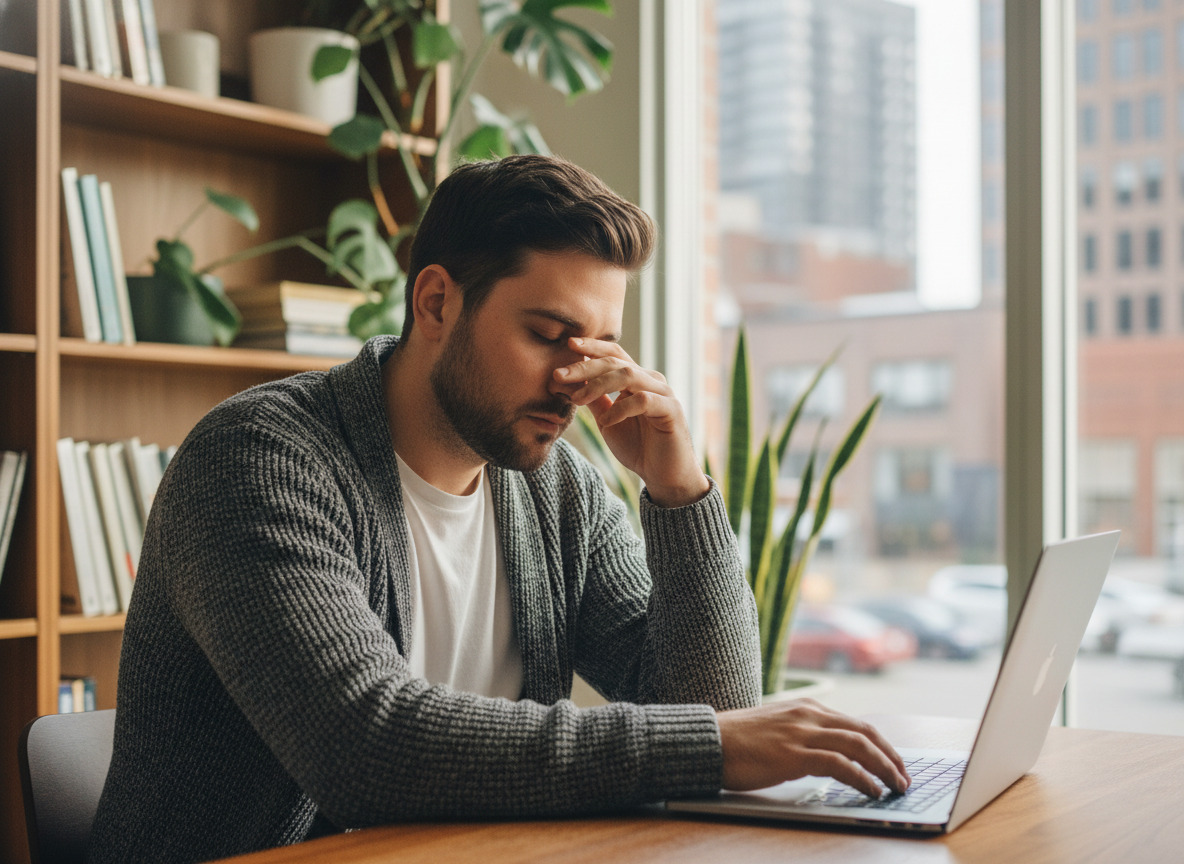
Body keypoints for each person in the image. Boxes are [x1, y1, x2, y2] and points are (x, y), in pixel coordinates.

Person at [88, 155, 908, 863]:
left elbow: (710, 702)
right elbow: (365, 748)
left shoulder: (560, 492)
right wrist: (710, 746)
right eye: (550, 334)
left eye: (596, 347)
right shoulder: (258, 459)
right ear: (437, 303)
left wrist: (679, 491)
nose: (575, 381)